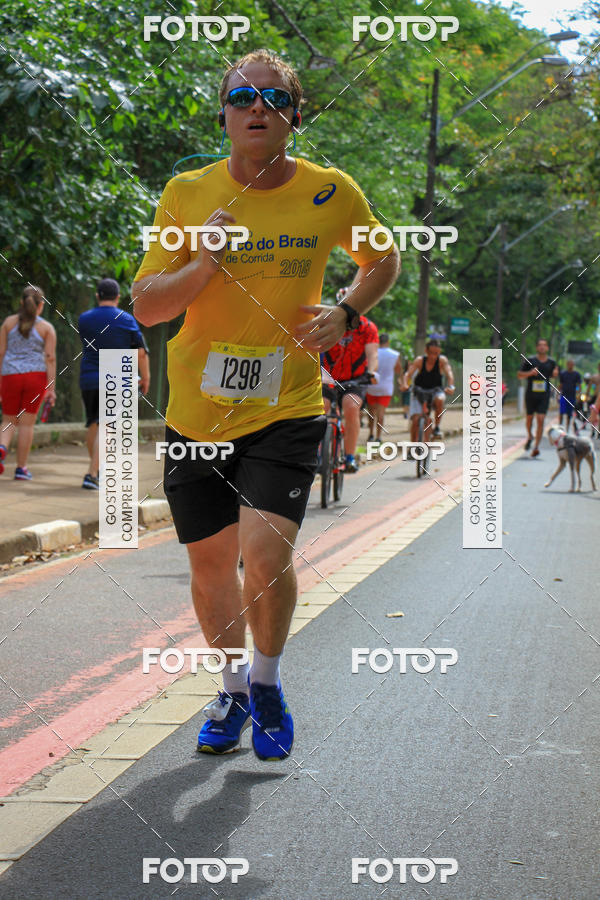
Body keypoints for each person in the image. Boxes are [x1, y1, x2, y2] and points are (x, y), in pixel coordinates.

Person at [132, 49, 399, 761]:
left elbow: (384, 257)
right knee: (212, 566)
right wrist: (203, 262)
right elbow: (149, 304)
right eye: (242, 96)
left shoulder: (331, 191)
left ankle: (270, 679)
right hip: (196, 410)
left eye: (273, 98)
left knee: (264, 552)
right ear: (223, 113)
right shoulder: (185, 194)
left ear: (293, 116)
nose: (257, 107)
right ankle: (232, 689)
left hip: (287, 405)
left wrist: (346, 310)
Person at [78, 278, 150, 490]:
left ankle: (96, 470)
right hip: (115, 380)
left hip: (89, 379)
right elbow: (141, 353)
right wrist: (145, 378)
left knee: (94, 423)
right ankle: (92, 473)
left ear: (98, 296)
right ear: (118, 297)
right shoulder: (126, 319)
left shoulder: (84, 319)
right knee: (106, 426)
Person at [0, 285, 56, 480]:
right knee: (26, 425)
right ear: (41, 306)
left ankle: (2, 447)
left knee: (8, 420)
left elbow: (1, 353)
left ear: (21, 303)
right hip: (35, 377)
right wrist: (51, 388)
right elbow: (50, 358)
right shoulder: (46, 328)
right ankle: (21, 469)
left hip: (9, 376)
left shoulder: (8, 323)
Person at [321, 288, 379, 472]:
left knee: (351, 407)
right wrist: (320, 373)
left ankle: (349, 456)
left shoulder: (368, 328)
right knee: (319, 409)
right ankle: (316, 453)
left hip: (355, 380)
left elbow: (372, 354)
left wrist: (371, 372)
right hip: (328, 377)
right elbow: (317, 351)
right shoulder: (327, 324)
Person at [404, 339, 455, 442]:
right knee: (415, 420)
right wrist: (405, 384)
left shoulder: (442, 361)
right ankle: (413, 446)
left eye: (436, 353)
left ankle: (436, 427)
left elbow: (449, 374)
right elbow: (408, 374)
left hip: (435, 391)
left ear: (439, 352)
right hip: (419, 391)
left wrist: (451, 386)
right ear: (426, 351)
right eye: (431, 353)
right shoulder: (419, 361)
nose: (433, 356)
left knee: (440, 399)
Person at [517, 338, 558, 457]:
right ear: (537, 348)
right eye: (540, 345)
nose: (542, 347)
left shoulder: (552, 362)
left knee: (541, 419)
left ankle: (536, 447)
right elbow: (519, 375)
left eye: (544, 345)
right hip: (530, 394)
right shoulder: (530, 360)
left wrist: (555, 374)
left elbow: (555, 373)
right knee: (529, 419)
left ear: (547, 348)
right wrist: (530, 373)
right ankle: (530, 435)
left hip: (544, 395)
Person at [365, 333, 402, 443]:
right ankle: (378, 436)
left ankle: (371, 434)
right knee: (381, 413)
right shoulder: (395, 354)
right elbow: (398, 370)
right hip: (386, 387)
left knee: (371, 412)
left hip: (372, 386)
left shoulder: (373, 352)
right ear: (388, 342)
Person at [558, 359, 581, 434]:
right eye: (569, 364)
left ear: (573, 365)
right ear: (567, 365)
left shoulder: (576, 374)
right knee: (561, 412)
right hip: (564, 395)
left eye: (572, 364)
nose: (570, 365)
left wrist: (578, 394)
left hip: (572, 396)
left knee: (569, 414)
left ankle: (567, 429)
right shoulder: (563, 373)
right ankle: (560, 427)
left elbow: (579, 385)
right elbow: (560, 384)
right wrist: (558, 394)